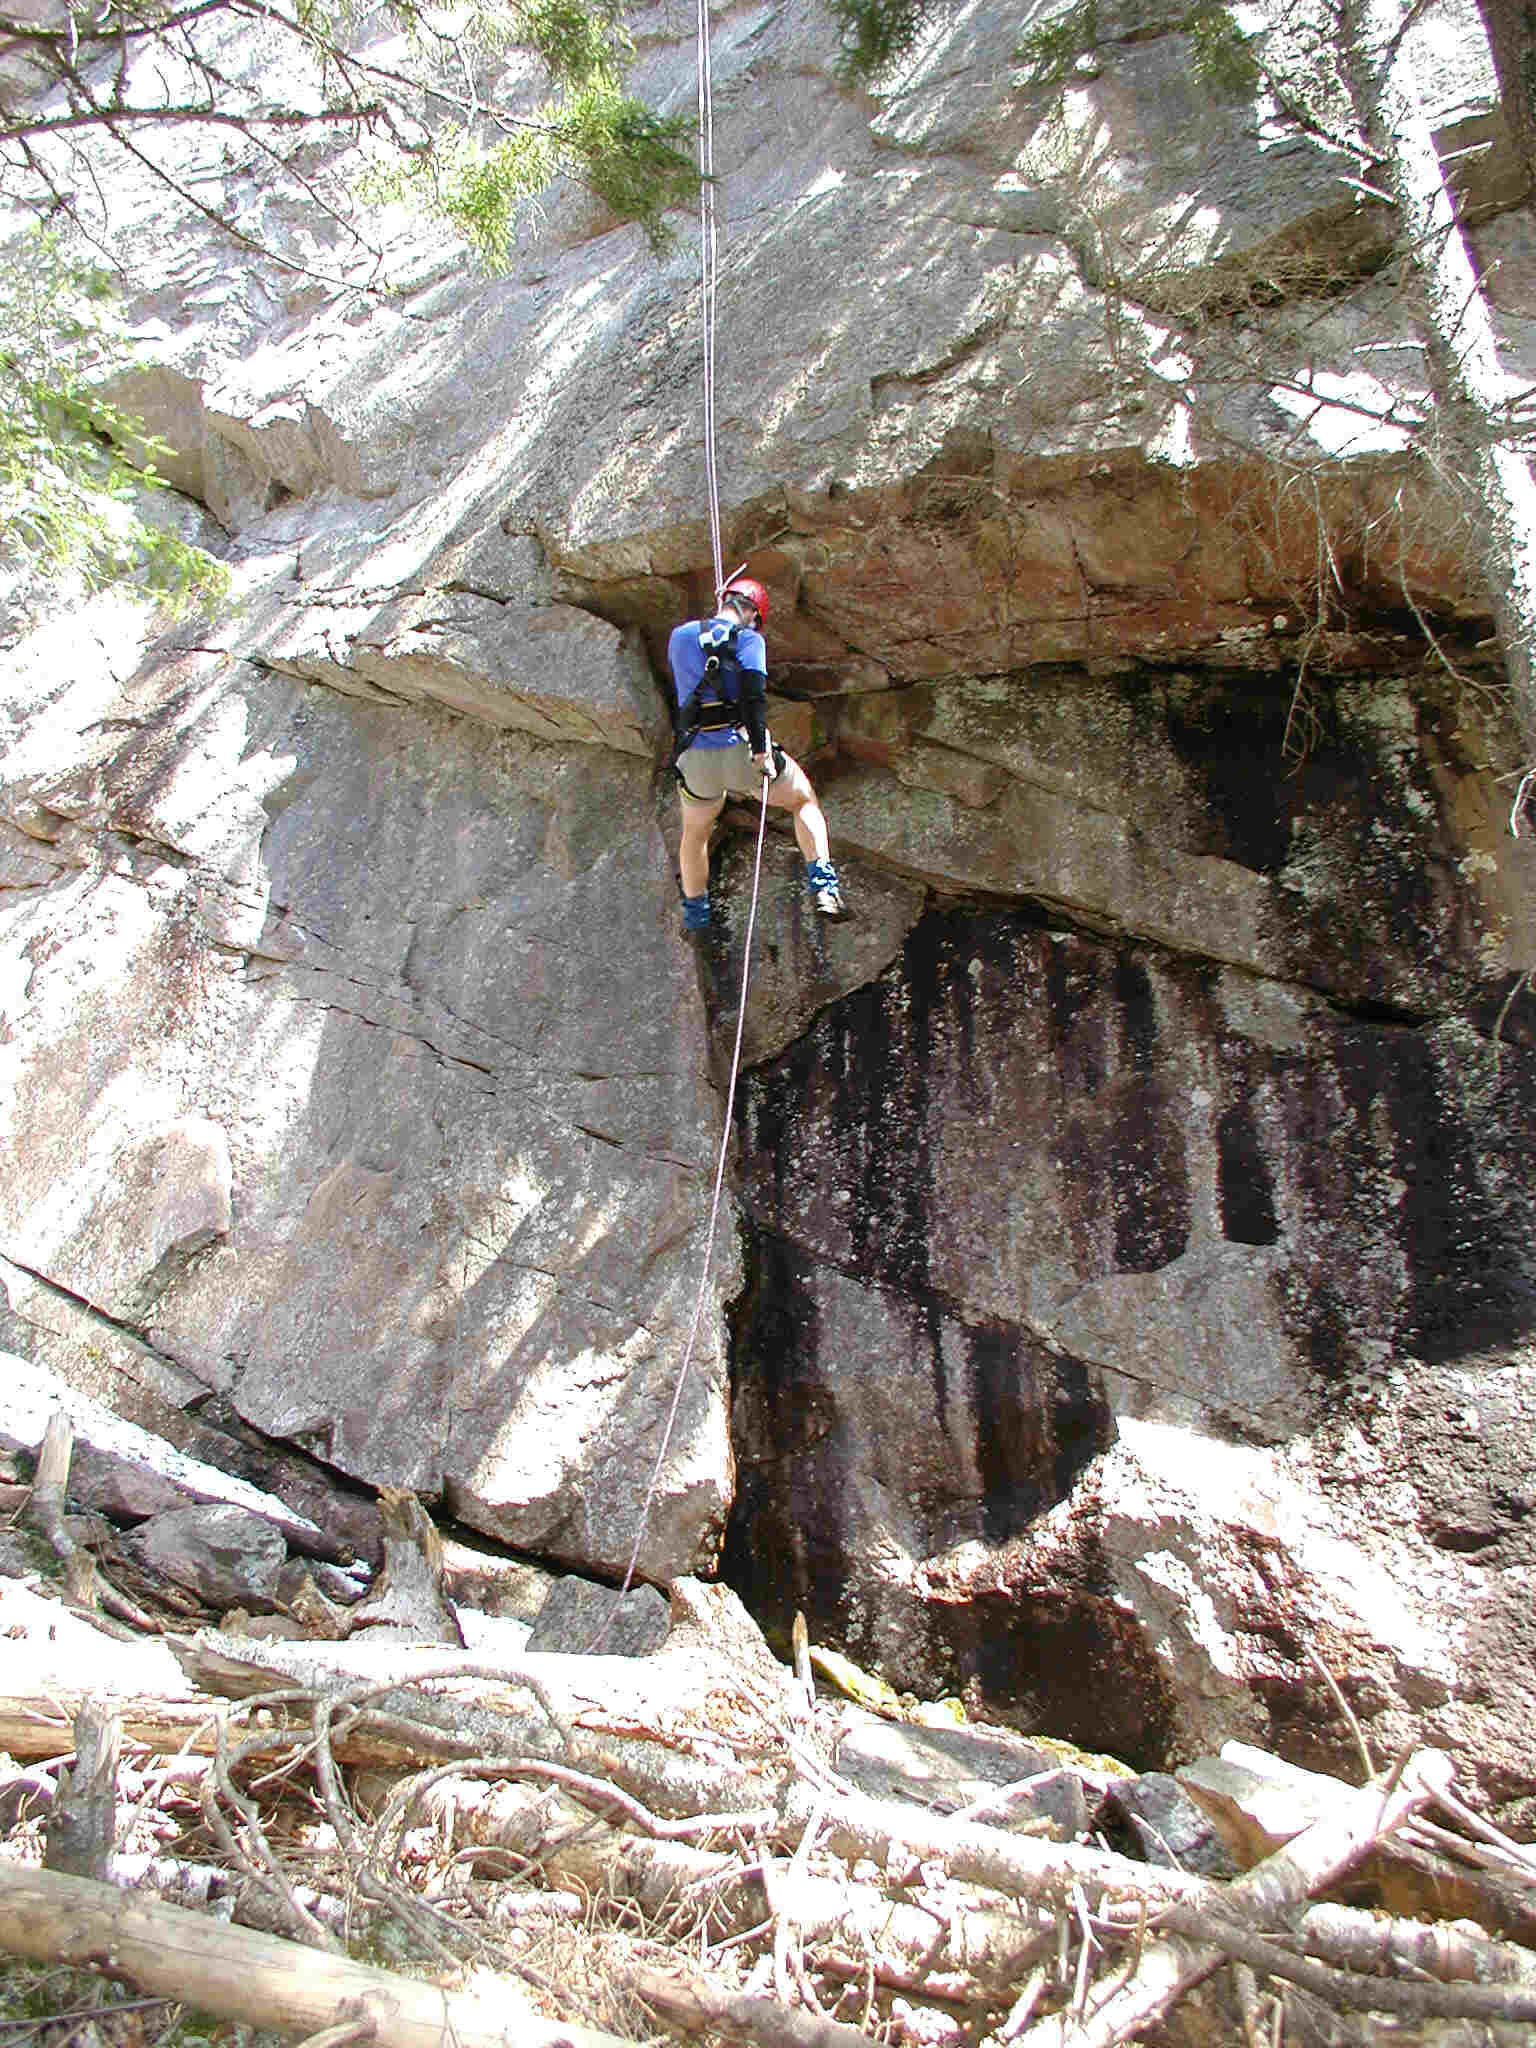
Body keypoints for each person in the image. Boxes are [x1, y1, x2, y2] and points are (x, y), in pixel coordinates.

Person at [667, 574, 847, 931]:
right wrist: (762, 750)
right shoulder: (750, 641)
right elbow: (753, 698)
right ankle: (826, 888)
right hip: (740, 751)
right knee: (802, 800)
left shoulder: (680, 636)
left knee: (695, 832)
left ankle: (697, 915)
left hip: (695, 756)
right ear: (753, 614)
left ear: (726, 598)